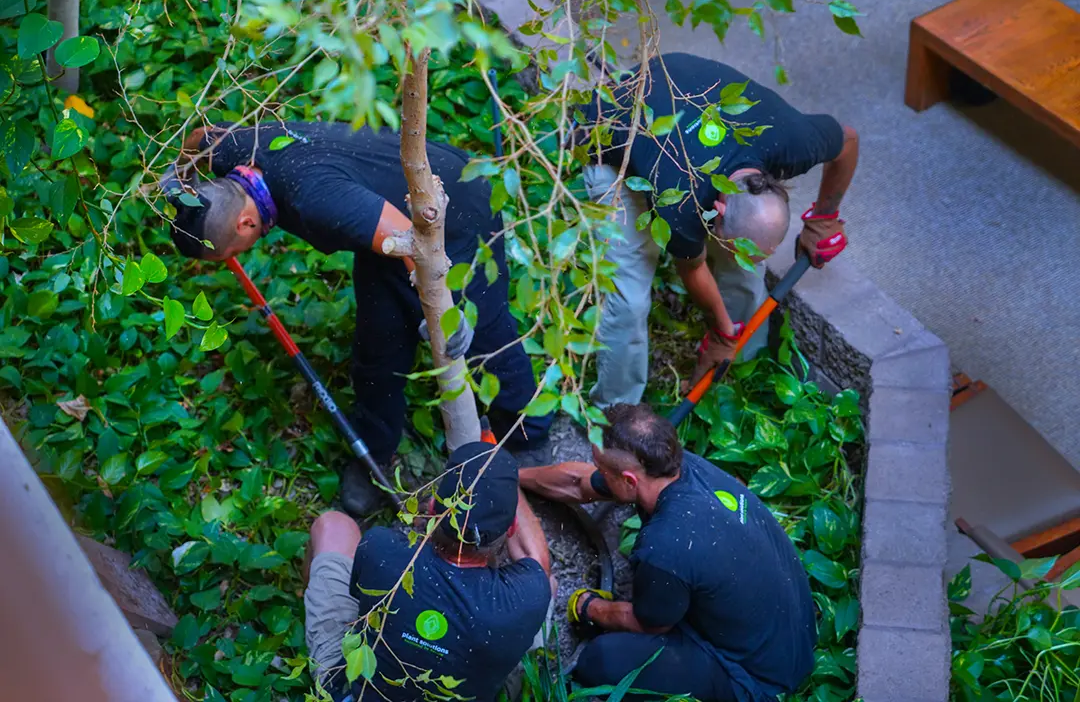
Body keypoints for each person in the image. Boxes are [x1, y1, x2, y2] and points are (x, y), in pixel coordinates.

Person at [164, 121, 554, 514]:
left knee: (483, 335)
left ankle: (527, 432)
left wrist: (445, 310)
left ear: (245, 223)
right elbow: (197, 136)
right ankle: (375, 446)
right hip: (383, 219)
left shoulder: (314, 199)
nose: (236, 258)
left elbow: (414, 240)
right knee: (378, 345)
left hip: (451, 212)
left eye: (230, 253)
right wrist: (178, 177)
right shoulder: (232, 149)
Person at [575, 52, 859, 405]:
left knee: (741, 269)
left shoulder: (790, 139)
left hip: (681, 97)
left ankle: (741, 367)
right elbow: (691, 268)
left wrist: (824, 218)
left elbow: (848, 141)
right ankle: (614, 412)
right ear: (717, 210)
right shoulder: (678, 202)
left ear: (772, 183)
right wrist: (721, 332)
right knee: (629, 294)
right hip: (613, 140)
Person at [518, 403, 816, 702]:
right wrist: (513, 477)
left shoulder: (665, 545)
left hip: (759, 676)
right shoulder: (679, 469)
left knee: (601, 660)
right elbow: (577, 482)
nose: (598, 474)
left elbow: (649, 624)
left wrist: (589, 607)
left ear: (629, 480)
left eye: (603, 470)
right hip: (791, 625)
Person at [303, 441, 553, 701]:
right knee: (549, 592)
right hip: (468, 688)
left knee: (332, 526)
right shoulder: (527, 596)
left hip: (358, 690)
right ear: (511, 528)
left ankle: (307, 595)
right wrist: (506, 483)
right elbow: (535, 560)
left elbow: (359, 599)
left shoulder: (381, 551)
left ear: (432, 508)